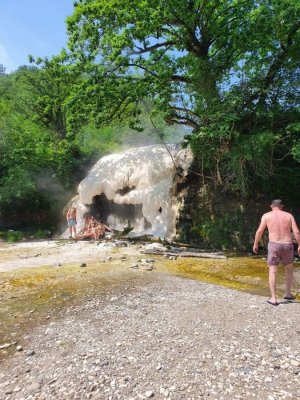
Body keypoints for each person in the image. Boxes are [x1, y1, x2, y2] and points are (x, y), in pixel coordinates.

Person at [253, 199, 300, 306]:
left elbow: (260, 231)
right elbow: (296, 231)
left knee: (273, 270)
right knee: (289, 269)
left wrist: (256, 243)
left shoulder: (266, 216)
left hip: (274, 244)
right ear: (282, 206)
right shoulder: (289, 216)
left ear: (271, 206)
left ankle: (273, 298)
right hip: (287, 244)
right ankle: (288, 293)